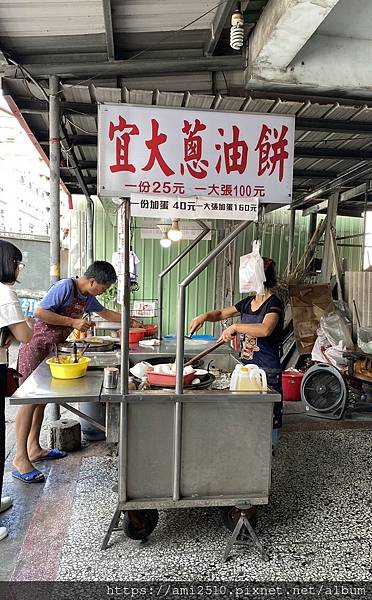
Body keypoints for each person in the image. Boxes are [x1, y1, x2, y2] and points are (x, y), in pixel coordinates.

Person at [12, 261, 123, 483]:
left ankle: (33, 448)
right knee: (28, 400)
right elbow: (40, 311)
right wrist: (72, 321)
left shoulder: (88, 298)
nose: (103, 291)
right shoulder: (65, 287)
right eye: (103, 287)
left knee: (40, 400)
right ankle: (20, 458)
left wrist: (130, 321)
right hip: (35, 345)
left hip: (52, 349)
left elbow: (106, 313)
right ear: (92, 281)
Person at [189, 258, 284, 441]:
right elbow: (221, 314)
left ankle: (268, 452)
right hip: (247, 367)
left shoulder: (274, 303)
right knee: (248, 414)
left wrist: (236, 327)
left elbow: (265, 329)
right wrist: (204, 316)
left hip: (267, 370)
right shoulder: (249, 302)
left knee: (267, 416)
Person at [0, 241, 34, 540]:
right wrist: (24, 324)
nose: (19, 267)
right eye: (16, 261)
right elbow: (24, 334)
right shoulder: (4, 291)